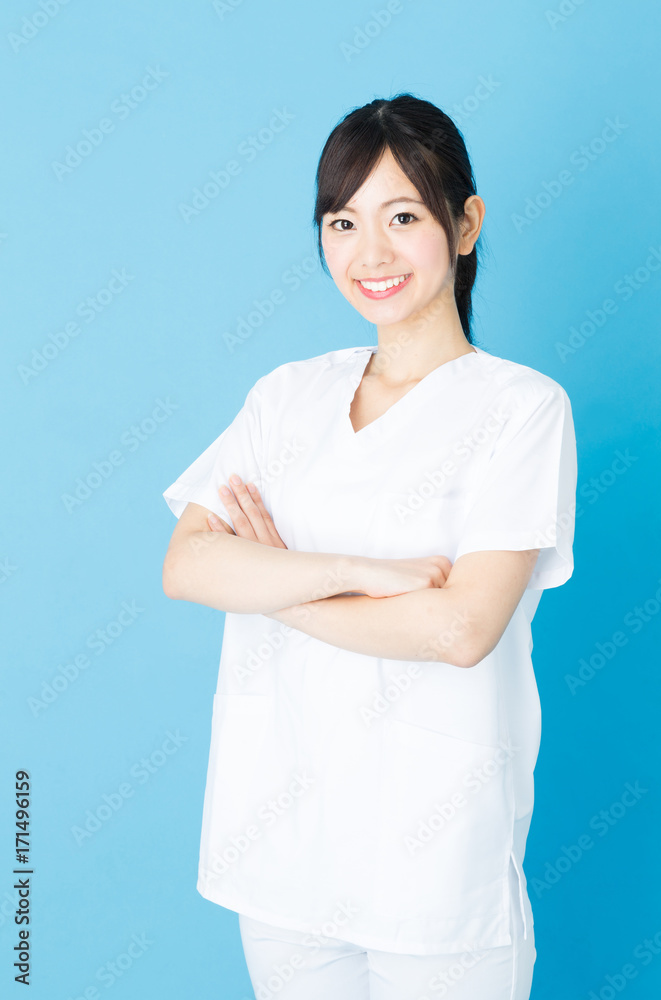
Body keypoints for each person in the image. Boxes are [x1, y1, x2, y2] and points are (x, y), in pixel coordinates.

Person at [161, 93, 578, 1000]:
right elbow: (186, 565)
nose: (369, 253)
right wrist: (359, 574)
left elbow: (460, 630)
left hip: (437, 869)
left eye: (403, 217)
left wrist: (273, 580)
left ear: (465, 224)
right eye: (342, 222)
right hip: (280, 854)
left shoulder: (520, 409)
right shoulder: (286, 396)